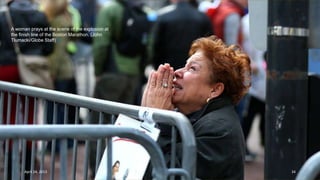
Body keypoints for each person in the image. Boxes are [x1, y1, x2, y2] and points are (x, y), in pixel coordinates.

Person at [142, 35, 251, 179]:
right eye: (184, 66)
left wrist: (159, 121)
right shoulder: (193, 116)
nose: (177, 72)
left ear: (215, 90)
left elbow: (170, 175)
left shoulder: (220, 130)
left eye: (192, 69)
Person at [90, 0, 152, 176]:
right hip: (133, 76)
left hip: (112, 73)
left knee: (101, 126)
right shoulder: (143, 11)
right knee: (126, 127)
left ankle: (99, 172)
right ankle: (123, 172)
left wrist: (98, 70)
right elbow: (148, 46)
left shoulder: (110, 10)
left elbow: (101, 44)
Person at [0, 0, 54, 179]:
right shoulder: (39, 15)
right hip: (32, 70)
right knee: (31, 115)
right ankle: (28, 166)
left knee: (9, 115)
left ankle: (9, 164)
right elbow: (49, 46)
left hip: (8, 69)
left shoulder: (4, 14)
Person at [149, 0, 213, 70]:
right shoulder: (202, 17)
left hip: (169, 67)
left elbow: (156, 45)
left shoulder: (164, 17)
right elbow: (210, 44)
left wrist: (157, 66)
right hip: (195, 68)